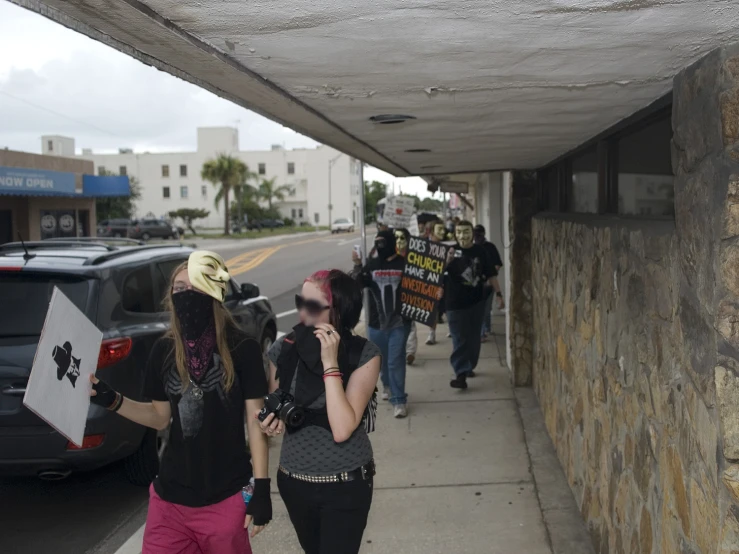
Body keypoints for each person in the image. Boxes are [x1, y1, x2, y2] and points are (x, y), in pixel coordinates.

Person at [89, 251, 271, 554]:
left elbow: (256, 422)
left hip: (225, 498)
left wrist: (261, 490)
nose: (187, 296)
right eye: (179, 289)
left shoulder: (243, 349)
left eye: (195, 287)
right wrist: (113, 400)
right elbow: (160, 418)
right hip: (170, 500)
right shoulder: (163, 350)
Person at [259, 269, 381, 554]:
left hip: (346, 485)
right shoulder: (283, 349)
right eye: (301, 300)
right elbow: (276, 405)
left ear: (338, 310)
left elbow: (342, 428)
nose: (302, 310)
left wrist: (330, 364)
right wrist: (270, 422)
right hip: (293, 482)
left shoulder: (364, 354)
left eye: (312, 305)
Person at [354, 230, 412, 417]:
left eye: (383, 243)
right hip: (376, 323)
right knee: (382, 362)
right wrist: (357, 266)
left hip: (399, 322)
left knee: (396, 360)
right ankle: (387, 384)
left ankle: (399, 400)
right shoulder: (371, 265)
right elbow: (357, 284)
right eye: (377, 243)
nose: (380, 246)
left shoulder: (404, 264)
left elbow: (417, 288)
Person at [445, 221, 496, 390]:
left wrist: (500, 294)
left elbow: (490, 274)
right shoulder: (449, 251)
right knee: (459, 337)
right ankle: (460, 373)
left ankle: (469, 365)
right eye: (459, 232)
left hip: (475, 302)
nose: (462, 236)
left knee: (473, 338)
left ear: (472, 234)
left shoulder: (480, 251)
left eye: (466, 232)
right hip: (454, 303)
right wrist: (447, 261)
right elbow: (435, 274)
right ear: (455, 234)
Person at [473, 224, 505, 340]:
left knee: (486, 308)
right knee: (480, 308)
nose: (477, 237)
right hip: (476, 284)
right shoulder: (472, 248)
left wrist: (490, 275)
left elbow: (497, 264)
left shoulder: (490, 247)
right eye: (475, 235)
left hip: (489, 284)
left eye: (479, 234)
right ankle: (482, 331)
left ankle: (486, 328)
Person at [395, 228, 417, 365]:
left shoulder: (414, 257)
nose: (399, 241)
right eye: (396, 238)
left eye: (402, 238)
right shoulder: (390, 256)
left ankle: (410, 351)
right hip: (396, 299)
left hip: (411, 297)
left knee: (411, 325)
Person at [426, 219, 449, 345]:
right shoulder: (425, 246)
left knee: (447, 307)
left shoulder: (448, 245)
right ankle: (431, 334)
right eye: (438, 230)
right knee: (432, 309)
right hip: (432, 281)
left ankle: (451, 328)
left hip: (446, 280)